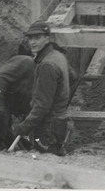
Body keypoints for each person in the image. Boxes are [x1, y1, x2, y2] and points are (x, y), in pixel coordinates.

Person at [12, 20, 71, 156]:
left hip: (48, 127)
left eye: (37, 38)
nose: (33, 42)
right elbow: (72, 76)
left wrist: (24, 127)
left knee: (44, 162)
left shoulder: (47, 65)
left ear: (47, 38)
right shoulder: (58, 55)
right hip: (59, 122)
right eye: (30, 38)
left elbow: (42, 105)